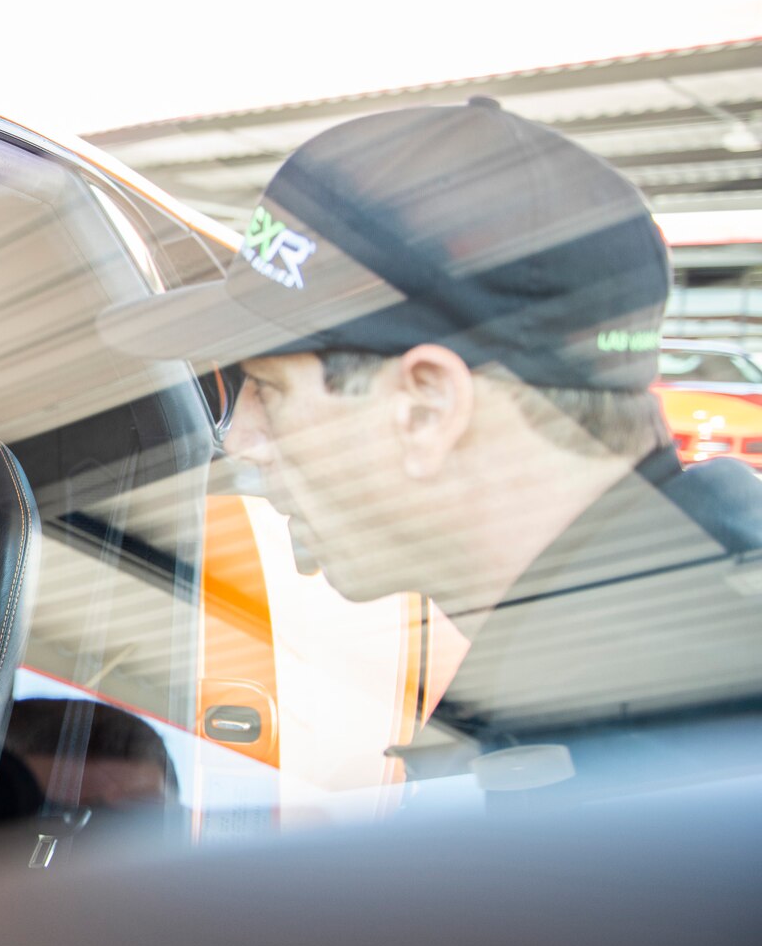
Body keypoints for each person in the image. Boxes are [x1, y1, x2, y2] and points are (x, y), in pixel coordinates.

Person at [98, 98, 762, 794]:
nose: (242, 439)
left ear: (427, 407)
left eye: (268, 387)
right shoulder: (653, 666)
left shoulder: (651, 765)